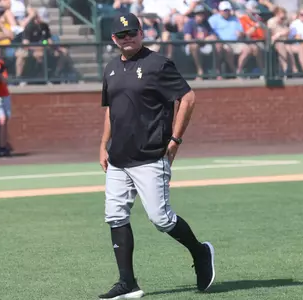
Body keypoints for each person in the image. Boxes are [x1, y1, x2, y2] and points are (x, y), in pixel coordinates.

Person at [98, 12, 215, 300]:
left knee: (161, 219)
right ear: (114, 39)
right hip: (118, 158)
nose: (128, 38)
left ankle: (200, 252)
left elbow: (187, 98)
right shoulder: (111, 68)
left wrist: (175, 141)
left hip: (151, 155)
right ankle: (128, 283)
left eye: (133, 33)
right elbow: (111, 110)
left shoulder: (158, 64)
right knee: (115, 216)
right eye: (122, 35)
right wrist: (103, 144)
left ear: (141, 33)